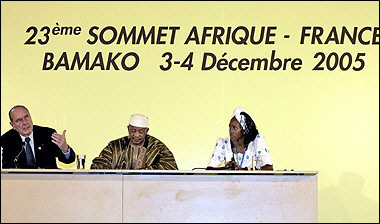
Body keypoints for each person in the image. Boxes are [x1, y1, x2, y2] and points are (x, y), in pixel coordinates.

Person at [90, 113, 178, 170]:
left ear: (147, 131)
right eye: (133, 131)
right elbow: (102, 161)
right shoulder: (115, 145)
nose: (136, 135)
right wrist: (102, 166)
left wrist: (144, 172)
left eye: (141, 132)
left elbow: (169, 166)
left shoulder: (157, 147)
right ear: (128, 129)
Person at [1, 105, 76, 169]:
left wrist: (65, 148)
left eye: (26, 117)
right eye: (19, 120)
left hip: (48, 182)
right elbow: (7, 168)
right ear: (12, 125)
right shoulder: (7, 139)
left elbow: (68, 160)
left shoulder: (47, 134)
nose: (25, 122)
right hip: (22, 183)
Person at [206, 107, 273, 170]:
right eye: (230, 127)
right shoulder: (223, 144)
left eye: (234, 128)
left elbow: (269, 167)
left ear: (244, 131)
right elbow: (209, 169)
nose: (231, 131)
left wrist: (243, 170)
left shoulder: (257, 142)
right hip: (230, 182)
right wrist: (226, 168)